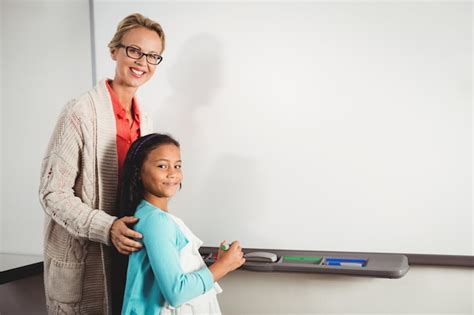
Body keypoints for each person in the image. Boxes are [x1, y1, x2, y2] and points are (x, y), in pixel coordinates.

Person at [39, 13, 165, 314]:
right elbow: (52, 193)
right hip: (85, 260)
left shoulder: (145, 119)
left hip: (128, 257)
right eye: (133, 50)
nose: (142, 62)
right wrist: (107, 228)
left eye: (152, 56)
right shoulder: (79, 112)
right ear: (114, 51)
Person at [118, 133, 245, 314]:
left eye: (177, 166)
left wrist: (213, 263)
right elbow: (176, 292)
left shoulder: (154, 216)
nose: (173, 173)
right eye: (162, 166)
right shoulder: (156, 221)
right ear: (138, 172)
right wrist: (224, 265)